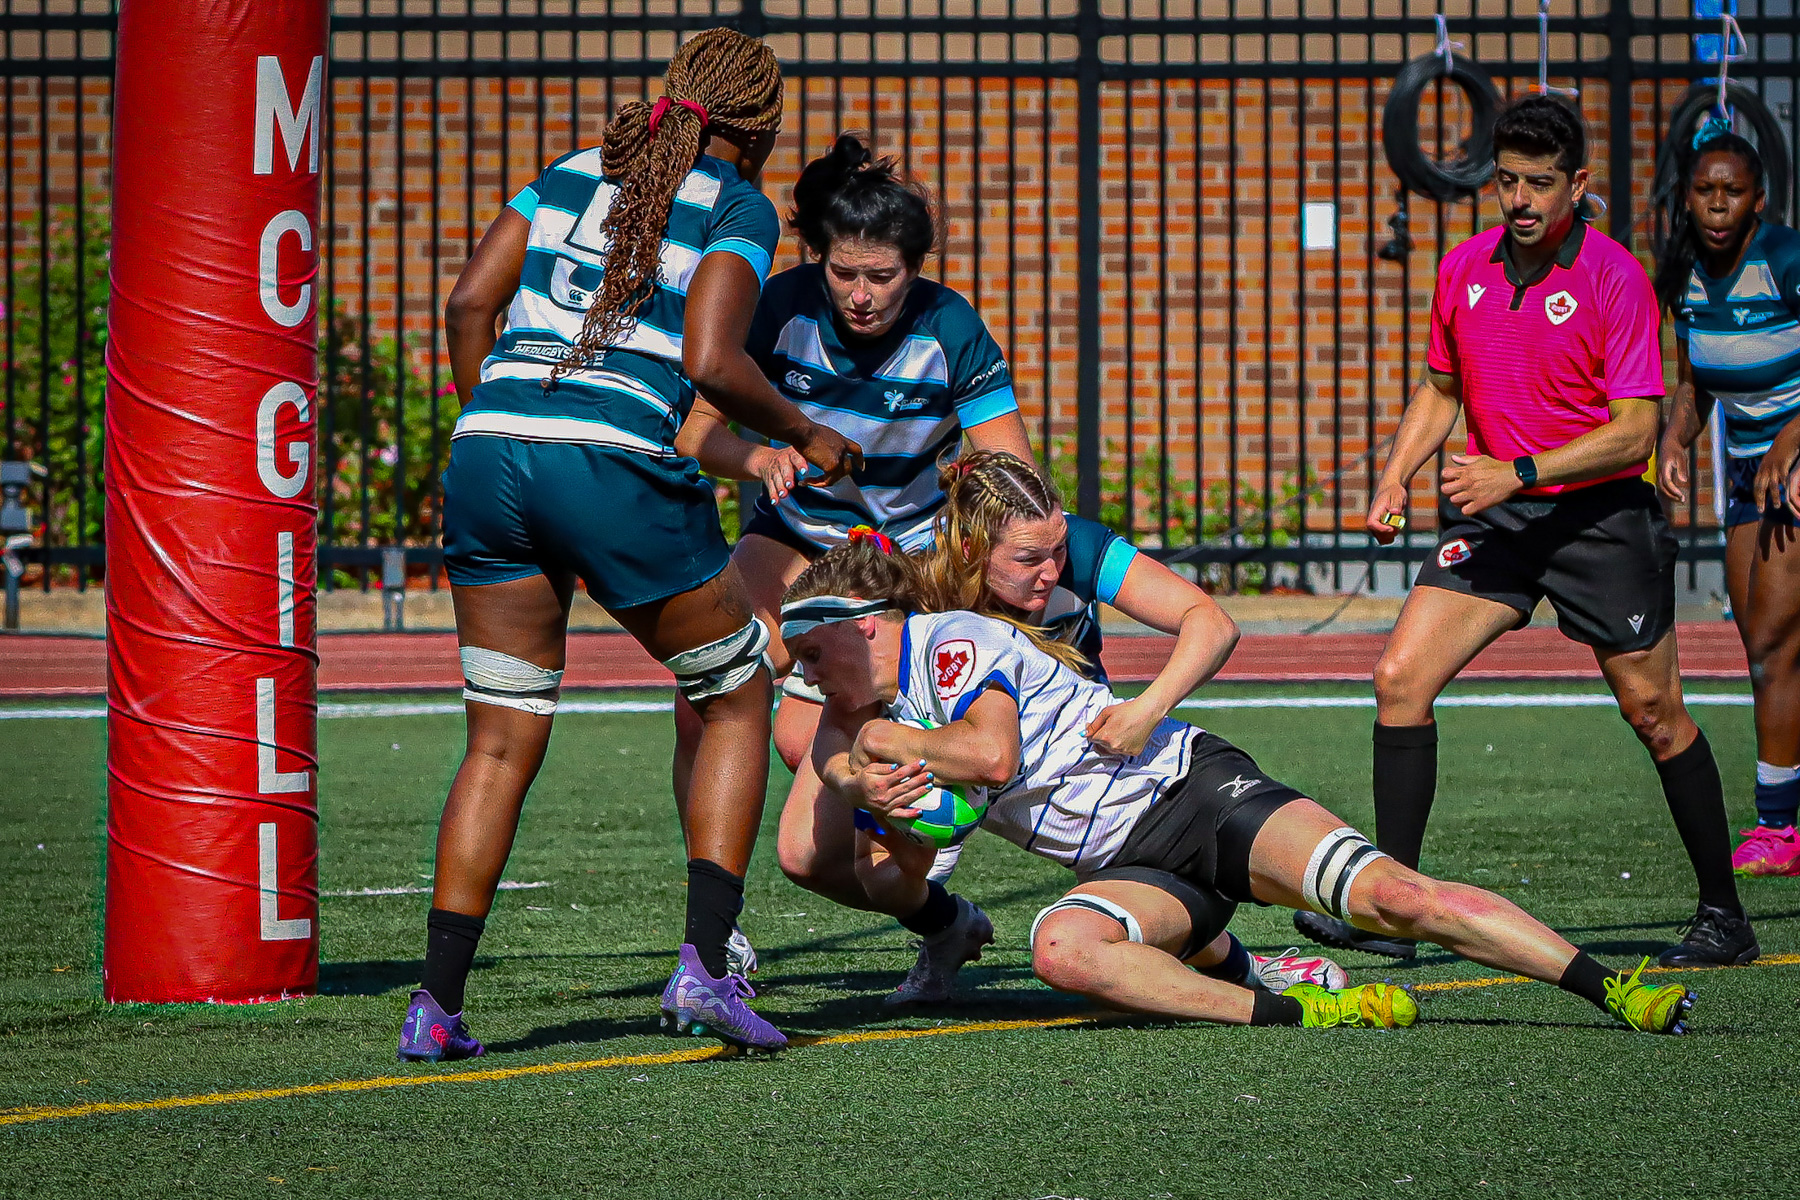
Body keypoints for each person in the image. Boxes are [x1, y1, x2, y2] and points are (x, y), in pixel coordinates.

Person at [396, 28, 859, 1062]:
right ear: (757, 127)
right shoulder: (736, 206)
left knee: (502, 736)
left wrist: (501, 410)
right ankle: (702, 970)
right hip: (607, 463)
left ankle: (434, 1008)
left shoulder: (563, 172)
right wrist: (806, 432)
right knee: (735, 693)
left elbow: (471, 301)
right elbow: (712, 359)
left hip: (487, 453)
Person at [778, 540, 1699, 1034]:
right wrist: (864, 777)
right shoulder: (863, 701)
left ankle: (1612, 988)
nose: (809, 677)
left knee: (1395, 898)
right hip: (1126, 863)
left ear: (865, 628)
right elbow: (829, 760)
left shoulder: (950, 643)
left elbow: (989, 762)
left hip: (1193, 796)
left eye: (814, 655)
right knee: (1062, 950)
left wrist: (887, 751)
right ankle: (1297, 1006)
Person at [1296, 96, 1758, 969]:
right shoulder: (1465, 268)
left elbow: (1634, 430)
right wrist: (1395, 473)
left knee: (1655, 715)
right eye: (1507, 180)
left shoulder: (1614, 277)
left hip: (1599, 518)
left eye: (1540, 184)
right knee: (1399, 677)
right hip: (1499, 518)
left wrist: (1519, 469)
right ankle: (1394, 908)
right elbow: (1441, 390)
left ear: (1576, 185)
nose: (1519, 199)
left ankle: (1724, 915)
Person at [777, 450, 1348, 1004]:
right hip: (951, 746)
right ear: (973, 548)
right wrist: (855, 779)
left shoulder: (1073, 546)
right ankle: (946, 925)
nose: (1052, 568)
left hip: (1060, 733)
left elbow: (1210, 622)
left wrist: (1145, 708)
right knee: (808, 855)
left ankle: (1251, 969)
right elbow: (816, 724)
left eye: (1057, 549)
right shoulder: (914, 587)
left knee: (1125, 867)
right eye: (1029, 558)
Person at [667, 132, 1033, 972]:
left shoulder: (952, 329)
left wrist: (993, 571)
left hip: (909, 556)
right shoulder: (779, 307)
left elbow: (1009, 475)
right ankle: (712, 922)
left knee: (816, 753)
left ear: (916, 268)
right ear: (818, 259)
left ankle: (932, 905)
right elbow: (695, 433)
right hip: (796, 536)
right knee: (702, 687)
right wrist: (760, 458)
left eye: (882, 276)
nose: (861, 296)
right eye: (844, 273)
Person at [1654, 132, 1800, 877]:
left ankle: (1777, 827)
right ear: (1687, 196)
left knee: (1776, 639)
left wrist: (1789, 441)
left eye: (1733, 191)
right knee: (1763, 646)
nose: (1717, 205)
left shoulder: (1784, 257)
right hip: (1747, 468)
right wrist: (1676, 440)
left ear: (1758, 200)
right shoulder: (1681, 270)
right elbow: (1692, 379)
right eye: (1705, 190)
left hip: (1794, 461)